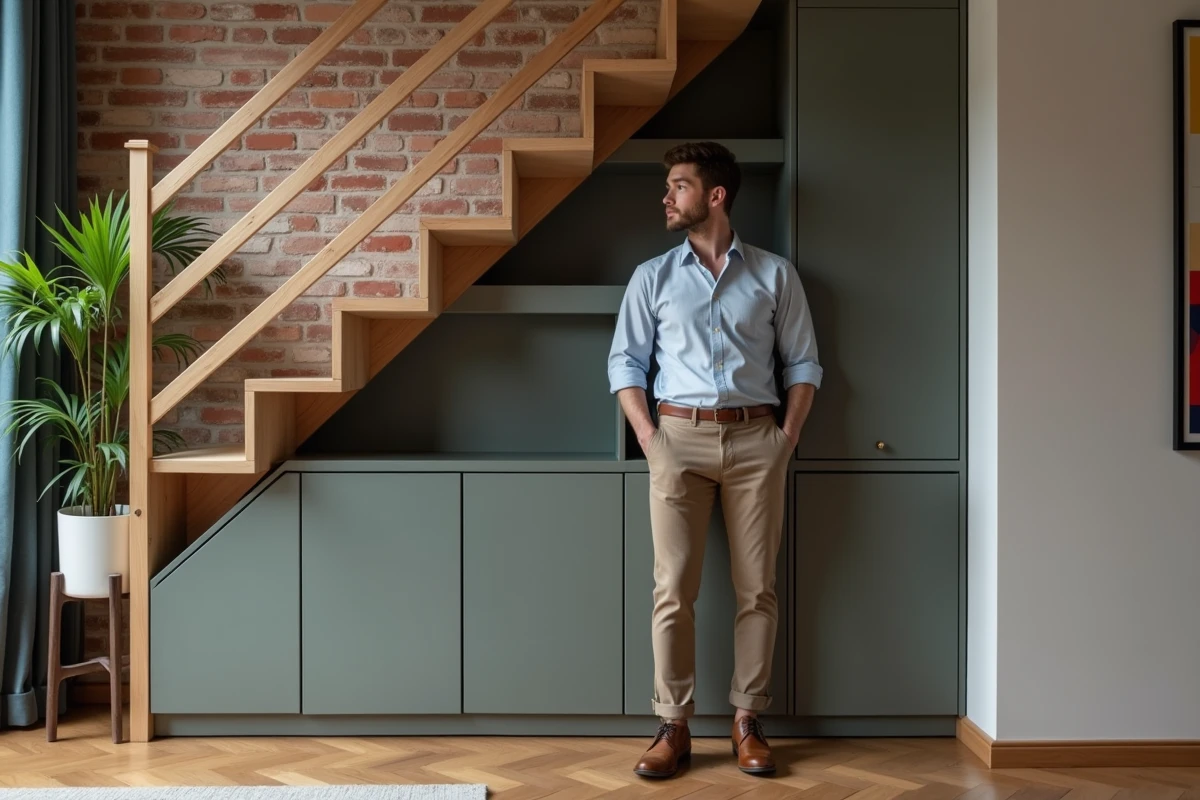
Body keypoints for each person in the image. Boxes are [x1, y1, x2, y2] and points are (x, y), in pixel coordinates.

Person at [607, 141, 822, 778]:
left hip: (758, 442)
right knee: (673, 589)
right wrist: (649, 437)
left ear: (715, 196)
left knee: (758, 589)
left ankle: (746, 720)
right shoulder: (652, 277)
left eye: (679, 186)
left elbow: (805, 364)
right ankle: (673, 726)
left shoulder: (775, 275)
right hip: (677, 441)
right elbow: (625, 363)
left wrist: (785, 440)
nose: (667, 198)